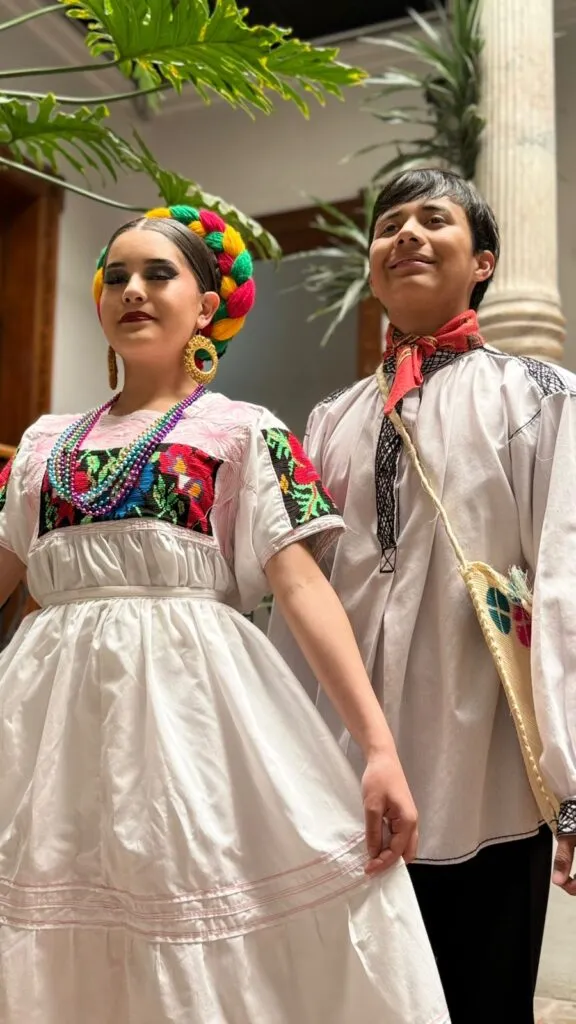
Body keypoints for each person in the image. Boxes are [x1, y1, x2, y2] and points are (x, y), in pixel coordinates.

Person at [0, 205, 449, 1023]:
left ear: (206, 307)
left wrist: (378, 750)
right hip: (43, 727)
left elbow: (308, 590)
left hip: (190, 719)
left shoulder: (244, 434)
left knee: (187, 901)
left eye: (159, 273)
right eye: (118, 277)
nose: (134, 290)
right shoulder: (41, 446)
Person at [269, 168, 576, 1024]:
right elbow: (304, 588)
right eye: (389, 223)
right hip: (348, 761)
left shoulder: (540, 398)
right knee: (356, 995)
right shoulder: (331, 418)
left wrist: (573, 775)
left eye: (432, 220)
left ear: (481, 262)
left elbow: (566, 583)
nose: (404, 234)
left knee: (482, 989)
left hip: (486, 765)